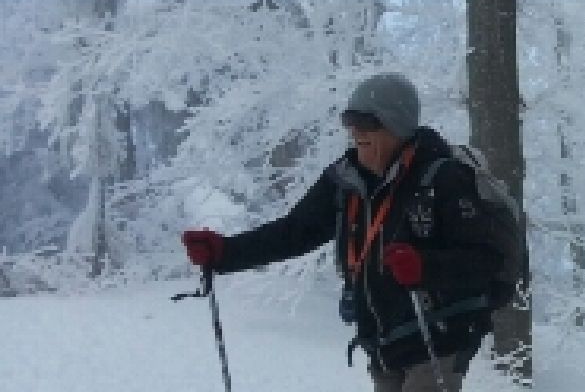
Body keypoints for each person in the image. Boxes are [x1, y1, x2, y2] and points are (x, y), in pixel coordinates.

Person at [179, 73, 507, 392]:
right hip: (383, 343)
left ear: (398, 126)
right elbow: (292, 233)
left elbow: (486, 259)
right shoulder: (345, 182)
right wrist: (225, 252)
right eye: (350, 122)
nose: (355, 132)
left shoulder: (443, 178)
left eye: (367, 123)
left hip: (438, 336)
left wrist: (425, 267)